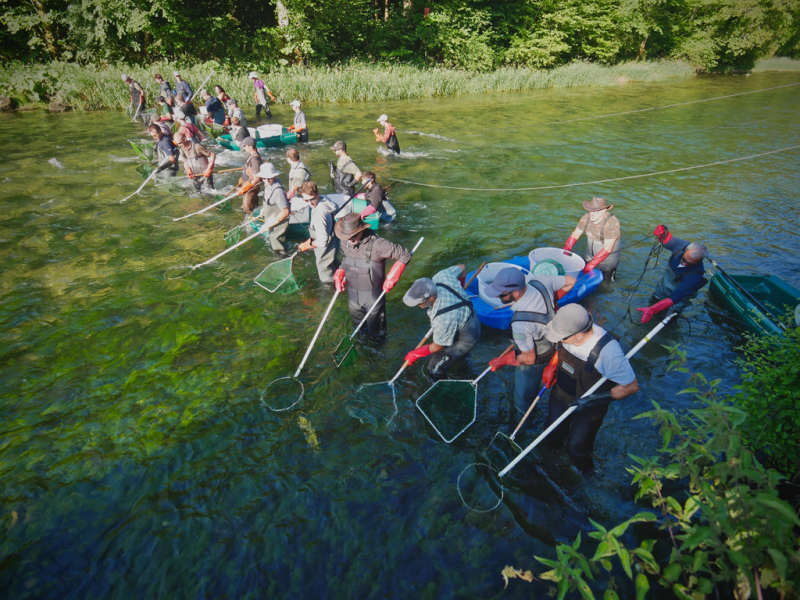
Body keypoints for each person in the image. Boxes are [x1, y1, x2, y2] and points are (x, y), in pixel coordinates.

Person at [541, 304, 639, 472]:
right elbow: (561, 348)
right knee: (551, 436)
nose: (558, 340)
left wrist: (593, 400)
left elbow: (630, 387)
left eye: (561, 337)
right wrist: (551, 367)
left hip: (589, 407)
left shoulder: (608, 353)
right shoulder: (567, 330)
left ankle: (587, 478)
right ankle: (551, 468)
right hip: (561, 394)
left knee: (576, 449)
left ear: (579, 335)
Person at [484, 267, 576, 415]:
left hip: (539, 356)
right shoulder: (541, 280)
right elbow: (571, 281)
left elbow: (528, 358)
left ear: (516, 292)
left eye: (501, 294)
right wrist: (552, 304)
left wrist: (503, 361)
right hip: (554, 342)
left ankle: (523, 418)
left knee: (522, 399)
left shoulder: (520, 324)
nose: (497, 297)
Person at [333, 214, 412, 338]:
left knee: (377, 336)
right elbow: (345, 259)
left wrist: (392, 277)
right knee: (359, 333)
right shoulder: (345, 241)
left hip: (373, 301)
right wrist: (340, 272)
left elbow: (405, 254)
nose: (350, 240)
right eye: (346, 236)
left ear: (361, 229)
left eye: (353, 236)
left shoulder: (378, 244)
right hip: (353, 299)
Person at [402, 264, 482, 381]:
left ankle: (442, 390)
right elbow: (463, 268)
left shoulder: (442, 319)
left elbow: (438, 346)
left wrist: (416, 353)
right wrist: (459, 287)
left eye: (418, 303)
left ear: (430, 298)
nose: (417, 306)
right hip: (469, 316)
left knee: (434, 367)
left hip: (468, 336)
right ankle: (463, 363)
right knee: (458, 356)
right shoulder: (442, 276)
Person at [636, 226, 708, 324]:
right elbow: (667, 240)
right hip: (660, 292)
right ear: (684, 251)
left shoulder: (695, 276)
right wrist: (662, 231)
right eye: (684, 259)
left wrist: (653, 309)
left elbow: (675, 298)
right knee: (647, 314)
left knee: (666, 325)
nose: (684, 264)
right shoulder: (682, 245)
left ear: (698, 261)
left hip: (674, 303)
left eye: (689, 264)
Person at [563, 197, 621, 281]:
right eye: (590, 210)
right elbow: (575, 234)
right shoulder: (586, 218)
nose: (592, 214)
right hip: (589, 254)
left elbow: (607, 248)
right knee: (579, 272)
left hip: (608, 258)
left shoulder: (611, 222)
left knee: (607, 281)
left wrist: (591, 266)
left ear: (604, 210)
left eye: (596, 211)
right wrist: (566, 251)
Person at [297, 181, 340, 283]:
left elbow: (322, 241)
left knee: (327, 280)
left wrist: (307, 245)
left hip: (325, 253)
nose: (310, 203)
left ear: (318, 193)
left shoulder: (319, 215)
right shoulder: (326, 201)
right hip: (333, 248)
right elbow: (336, 208)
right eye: (306, 200)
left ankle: (330, 288)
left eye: (312, 199)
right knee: (334, 265)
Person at [256, 163, 290, 254]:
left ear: (274, 176)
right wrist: (264, 209)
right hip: (272, 222)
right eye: (264, 178)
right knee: (274, 242)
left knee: (279, 248)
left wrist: (267, 225)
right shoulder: (267, 185)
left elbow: (286, 212)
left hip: (279, 225)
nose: (267, 180)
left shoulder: (278, 191)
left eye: (269, 178)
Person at [234, 137, 263, 215]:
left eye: (244, 146)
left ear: (250, 146)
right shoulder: (250, 155)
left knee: (247, 208)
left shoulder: (254, 159)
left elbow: (257, 178)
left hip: (251, 187)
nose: (243, 148)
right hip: (248, 184)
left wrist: (244, 188)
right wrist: (242, 178)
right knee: (254, 205)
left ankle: (252, 223)